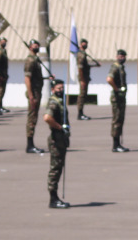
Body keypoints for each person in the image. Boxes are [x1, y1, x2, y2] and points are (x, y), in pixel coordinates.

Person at [44, 77, 71, 209]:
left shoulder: (60, 101)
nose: (61, 91)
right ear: (53, 89)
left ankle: (55, 197)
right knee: (55, 169)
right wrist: (59, 127)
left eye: (62, 88)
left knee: (59, 168)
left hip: (61, 140)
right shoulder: (54, 103)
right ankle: (53, 199)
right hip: (56, 139)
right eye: (58, 89)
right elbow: (47, 118)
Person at [24, 41, 46, 154]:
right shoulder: (30, 60)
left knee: (34, 118)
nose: (36, 47)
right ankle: (30, 144)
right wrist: (31, 95)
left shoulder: (35, 59)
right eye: (34, 45)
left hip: (37, 91)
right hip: (34, 93)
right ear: (29, 47)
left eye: (38, 45)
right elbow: (27, 78)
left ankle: (31, 143)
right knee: (32, 118)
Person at [107, 49, 129, 152]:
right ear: (117, 57)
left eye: (123, 56)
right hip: (117, 97)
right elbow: (109, 79)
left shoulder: (121, 67)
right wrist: (117, 89)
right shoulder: (115, 67)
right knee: (117, 120)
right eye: (120, 56)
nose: (122, 58)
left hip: (121, 97)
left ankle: (118, 143)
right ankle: (115, 145)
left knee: (120, 119)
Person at [75, 38, 97, 120]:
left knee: (84, 95)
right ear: (80, 44)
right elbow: (80, 68)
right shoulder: (81, 54)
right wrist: (82, 80)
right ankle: (80, 113)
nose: (85, 45)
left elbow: (86, 66)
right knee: (82, 95)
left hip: (85, 77)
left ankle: (81, 112)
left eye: (86, 44)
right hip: (83, 78)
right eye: (83, 44)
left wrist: (95, 65)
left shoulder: (83, 54)